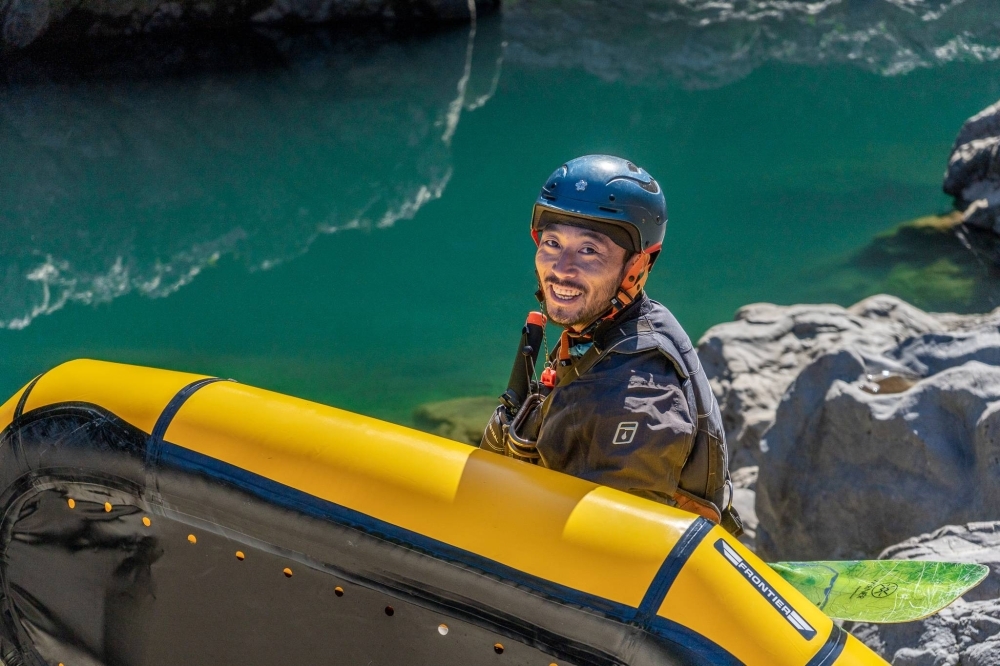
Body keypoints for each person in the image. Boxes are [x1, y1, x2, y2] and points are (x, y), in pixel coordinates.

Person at [481, 155, 742, 535]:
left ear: (636, 266)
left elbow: (612, 554)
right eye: (552, 243)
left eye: (589, 251)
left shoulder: (637, 395)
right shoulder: (607, 333)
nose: (562, 268)